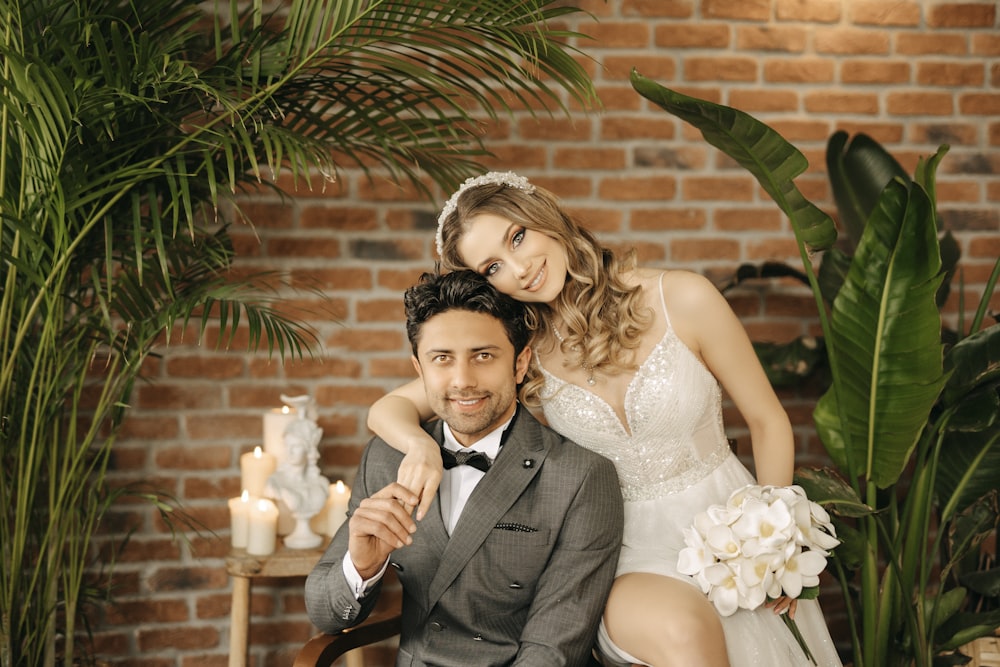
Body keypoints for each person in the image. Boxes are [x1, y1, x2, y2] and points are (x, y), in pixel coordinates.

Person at [365, 172, 845, 667]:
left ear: (543, 216)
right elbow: (387, 410)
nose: (520, 267)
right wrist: (422, 447)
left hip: (733, 530)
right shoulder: (519, 355)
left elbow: (768, 421)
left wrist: (774, 540)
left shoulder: (683, 297)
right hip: (623, 555)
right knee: (682, 632)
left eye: (518, 237)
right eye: (493, 267)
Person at [305, 270, 624, 666]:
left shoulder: (581, 476)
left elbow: (552, 648)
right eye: (442, 359)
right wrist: (362, 566)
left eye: (483, 356)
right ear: (420, 370)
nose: (462, 380)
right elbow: (324, 612)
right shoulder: (386, 458)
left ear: (520, 363)